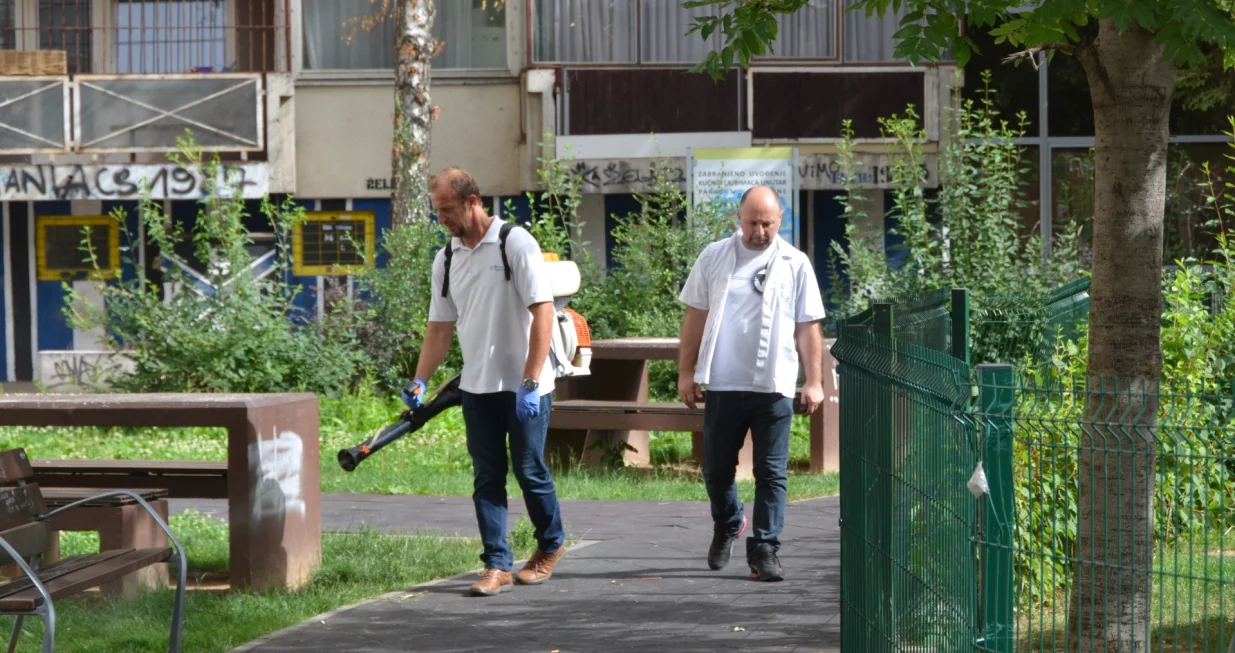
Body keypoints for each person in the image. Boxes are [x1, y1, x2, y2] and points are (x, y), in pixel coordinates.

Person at [406, 167, 566, 597]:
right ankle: (497, 565)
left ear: (472, 201)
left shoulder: (515, 241)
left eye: (447, 210)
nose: (441, 218)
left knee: (529, 470)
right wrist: (421, 381)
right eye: (436, 210)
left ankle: (550, 545)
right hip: (477, 385)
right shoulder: (447, 257)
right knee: (487, 476)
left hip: (525, 386)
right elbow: (440, 327)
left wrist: (531, 381)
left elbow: (544, 311)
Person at [677, 185, 826, 582]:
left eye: (768, 223)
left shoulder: (796, 263)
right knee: (716, 469)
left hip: (774, 385)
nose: (760, 231)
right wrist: (685, 373)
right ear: (738, 219)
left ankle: (764, 549)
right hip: (723, 382)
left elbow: (808, 326)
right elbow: (694, 318)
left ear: (781, 220)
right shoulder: (713, 257)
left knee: (771, 471)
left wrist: (814, 381)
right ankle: (728, 521)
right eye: (753, 222)